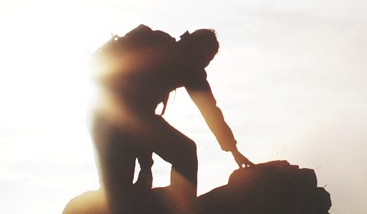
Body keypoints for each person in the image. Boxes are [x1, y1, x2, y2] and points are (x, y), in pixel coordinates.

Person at [92, 26, 253, 202]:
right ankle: (183, 210)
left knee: (120, 192)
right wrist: (146, 165)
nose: (206, 64)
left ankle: (177, 208)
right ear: (196, 49)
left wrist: (232, 148)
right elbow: (135, 114)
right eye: (207, 57)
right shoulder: (177, 62)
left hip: (99, 117)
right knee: (185, 153)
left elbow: (208, 110)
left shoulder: (175, 56)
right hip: (112, 119)